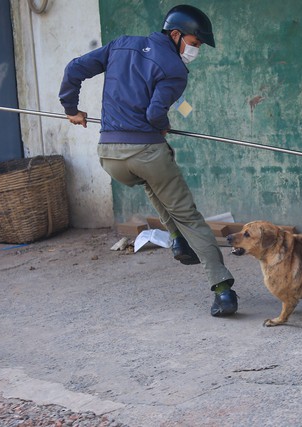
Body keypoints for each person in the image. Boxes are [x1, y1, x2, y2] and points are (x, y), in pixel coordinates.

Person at [58, 5, 238, 317]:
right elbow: (155, 114)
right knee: (190, 216)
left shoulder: (120, 44)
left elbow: (75, 68)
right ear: (177, 34)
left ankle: (178, 240)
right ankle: (223, 292)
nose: (195, 50)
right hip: (147, 153)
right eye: (194, 44)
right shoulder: (175, 70)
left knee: (152, 186)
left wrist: (70, 109)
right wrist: (163, 125)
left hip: (110, 156)